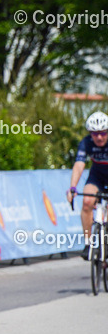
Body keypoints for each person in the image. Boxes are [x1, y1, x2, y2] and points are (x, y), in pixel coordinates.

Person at [69, 111, 108, 260]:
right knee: (86, 202)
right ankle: (88, 243)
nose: (99, 137)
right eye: (95, 133)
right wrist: (72, 188)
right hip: (97, 176)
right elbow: (79, 165)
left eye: (103, 133)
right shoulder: (86, 143)